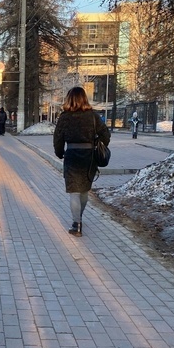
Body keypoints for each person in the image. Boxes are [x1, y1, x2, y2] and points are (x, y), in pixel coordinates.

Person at [53, 86, 110, 237]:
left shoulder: (64, 117)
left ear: (69, 99)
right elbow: (106, 135)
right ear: (84, 98)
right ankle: (79, 217)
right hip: (89, 157)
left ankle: (76, 224)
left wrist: (59, 153)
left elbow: (58, 139)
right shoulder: (93, 116)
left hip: (71, 156)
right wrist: (96, 142)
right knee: (84, 191)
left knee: (74, 192)